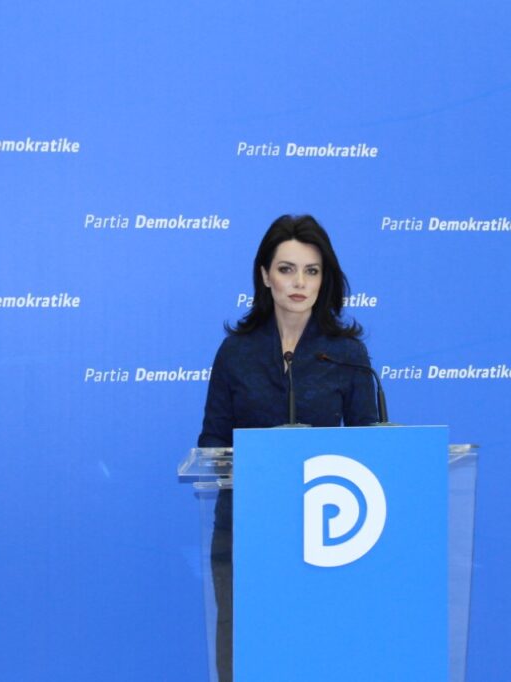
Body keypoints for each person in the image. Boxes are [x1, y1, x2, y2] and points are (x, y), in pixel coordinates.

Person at [197, 214, 379, 681]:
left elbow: (372, 450)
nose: (299, 282)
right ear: (265, 276)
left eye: (311, 271)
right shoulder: (235, 352)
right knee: (246, 656)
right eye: (286, 269)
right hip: (246, 529)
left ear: (324, 279)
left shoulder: (347, 354)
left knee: (319, 655)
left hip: (327, 535)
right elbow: (212, 441)